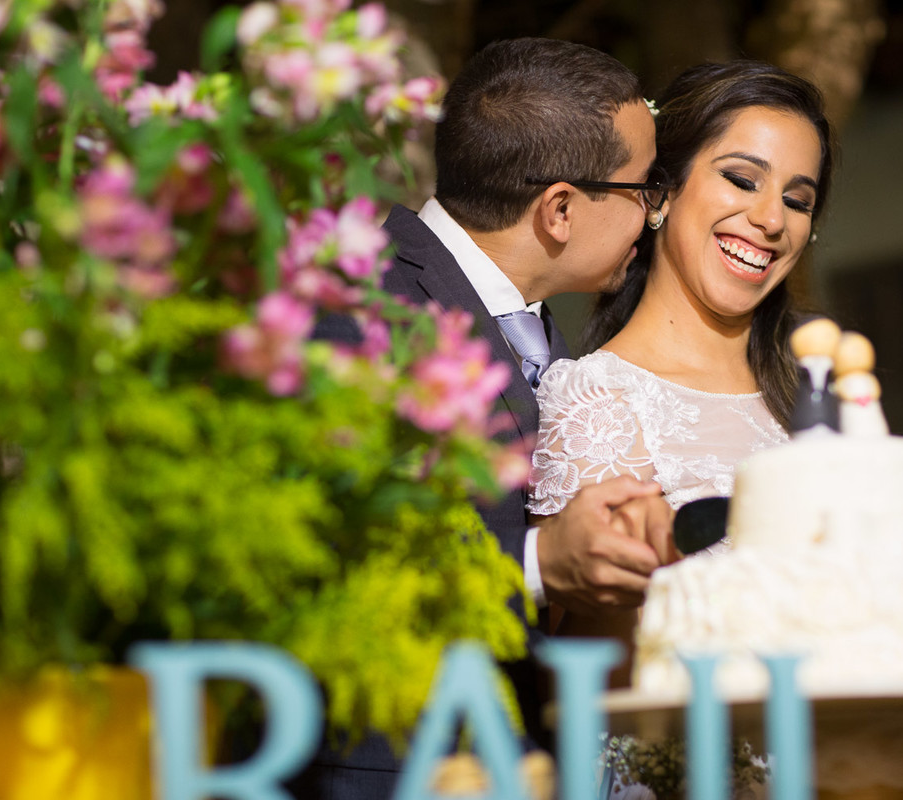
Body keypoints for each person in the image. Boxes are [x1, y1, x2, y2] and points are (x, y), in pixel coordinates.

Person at [301, 38, 676, 799]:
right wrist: (538, 563)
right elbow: (335, 539)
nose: (655, 213)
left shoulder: (536, 327)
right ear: (561, 209)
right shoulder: (357, 302)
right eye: (644, 187)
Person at [528, 60, 836, 690]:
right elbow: (596, 683)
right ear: (661, 193)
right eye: (742, 180)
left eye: (797, 200)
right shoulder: (598, 399)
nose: (771, 220)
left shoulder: (820, 396)